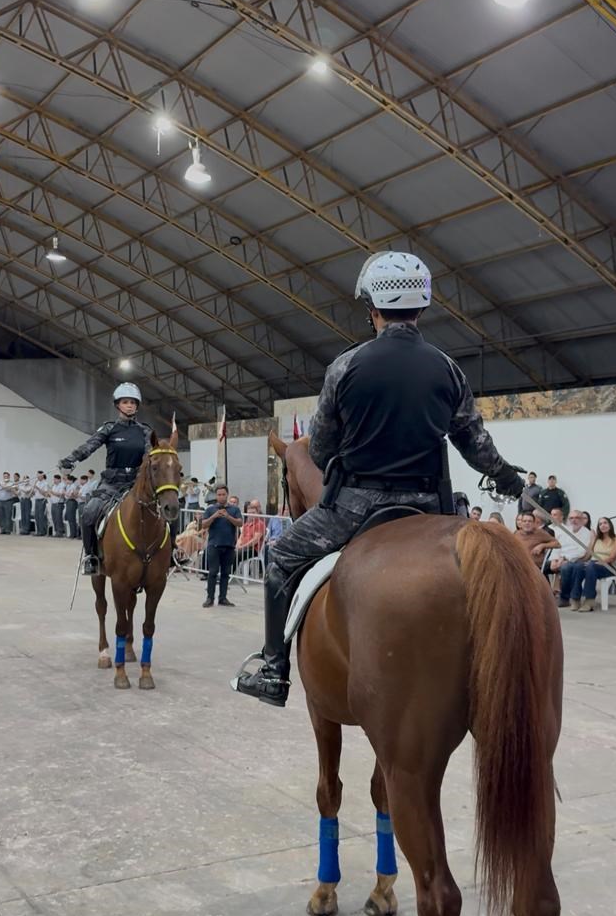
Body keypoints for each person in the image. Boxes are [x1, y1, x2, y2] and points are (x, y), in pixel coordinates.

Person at [235, 249, 526, 707]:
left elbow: (324, 447)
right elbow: (474, 443)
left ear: (372, 308)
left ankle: (273, 669)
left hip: (354, 506)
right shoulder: (448, 368)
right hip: (431, 506)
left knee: (278, 555)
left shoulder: (345, 367)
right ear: (422, 308)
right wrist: (508, 479)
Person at [58, 383, 153, 575]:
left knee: (167, 511)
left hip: (135, 483)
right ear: (118, 405)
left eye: (133, 402)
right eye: (125, 402)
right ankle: (91, 557)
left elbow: (151, 454)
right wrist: (72, 459)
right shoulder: (109, 428)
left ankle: (172, 553)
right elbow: (90, 445)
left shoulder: (145, 431)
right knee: (89, 512)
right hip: (112, 483)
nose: (129, 406)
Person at [559, 517, 616, 612]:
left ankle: (589, 600)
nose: (603, 525)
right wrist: (582, 561)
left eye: (605, 523)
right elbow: (589, 553)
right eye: (600, 524)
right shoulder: (596, 539)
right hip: (593, 565)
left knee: (590, 566)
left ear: (610, 525)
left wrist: (597, 563)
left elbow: (612, 558)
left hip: (609, 567)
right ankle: (575, 598)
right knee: (578, 566)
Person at [201, 486, 242, 607]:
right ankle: (210, 598)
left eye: (223, 494)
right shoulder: (210, 509)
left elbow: (240, 523)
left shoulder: (234, 509)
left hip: (229, 545)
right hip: (214, 544)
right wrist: (214, 516)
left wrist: (228, 517)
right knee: (213, 572)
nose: (221, 497)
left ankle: (223, 598)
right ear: (216, 496)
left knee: (225, 573)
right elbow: (203, 525)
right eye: (219, 495)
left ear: (227, 495)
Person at [547, 509, 592, 575]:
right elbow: (558, 546)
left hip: (576, 560)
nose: (574, 520)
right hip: (561, 560)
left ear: (582, 520)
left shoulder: (587, 533)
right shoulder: (565, 531)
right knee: (545, 566)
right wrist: (554, 560)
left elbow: (581, 552)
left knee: (566, 568)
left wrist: (565, 559)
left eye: (577, 518)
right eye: (571, 518)